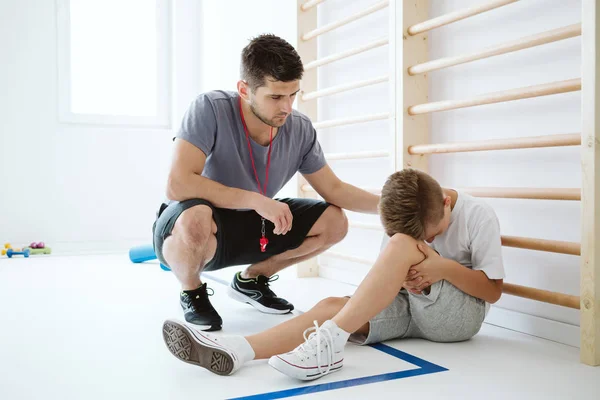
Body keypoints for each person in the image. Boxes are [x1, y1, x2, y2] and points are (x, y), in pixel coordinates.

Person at [161, 168, 506, 380]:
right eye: (423, 238)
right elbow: (385, 281)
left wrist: (441, 267)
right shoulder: (407, 221)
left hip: (458, 318)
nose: (429, 240)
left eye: (431, 233)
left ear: (446, 201)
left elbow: (492, 292)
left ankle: (331, 344)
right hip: (412, 309)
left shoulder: (478, 215)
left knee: (401, 246)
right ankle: (238, 350)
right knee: (332, 305)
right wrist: (403, 279)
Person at [153, 33, 380, 331]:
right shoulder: (209, 108)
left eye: (292, 95)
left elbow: (334, 190)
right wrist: (257, 200)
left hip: (252, 223)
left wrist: (391, 206)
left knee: (335, 221)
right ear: (244, 90)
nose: (286, 107)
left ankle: (252, 280)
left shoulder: (299, 128)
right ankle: (192, 291)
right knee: (197, 216)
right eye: (275, 97)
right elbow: (177, 185)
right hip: (194, 226)